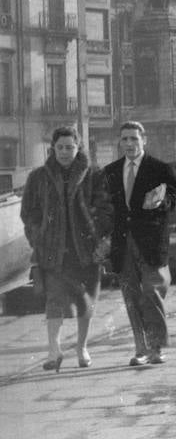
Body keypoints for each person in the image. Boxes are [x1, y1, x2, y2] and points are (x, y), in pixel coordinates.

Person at [21, 125, 113, 370]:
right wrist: (37, 236)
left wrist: (96, 233)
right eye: (60, 147)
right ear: (52, 149)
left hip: (86, 251)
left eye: (69, 147)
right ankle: (54, 352)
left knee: (86, 302)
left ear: (78, 148)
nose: (64, 152)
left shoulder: (93, 175)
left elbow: (106, 209)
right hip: (53, 251)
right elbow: (29, 212)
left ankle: (82, 348)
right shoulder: (38, 177)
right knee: (54, 301)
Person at [103, 119, 176, 367]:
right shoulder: (111, 171)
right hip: (123, 244)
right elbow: (106, 208)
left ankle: (156, 347)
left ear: (144, 140)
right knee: (131, 295)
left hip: (150, 241)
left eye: (134, 139)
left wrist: (162, 202)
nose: (129, 143)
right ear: (120, 141)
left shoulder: (159, 168)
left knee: (151, 291)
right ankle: (141, 349)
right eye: (125, 139)